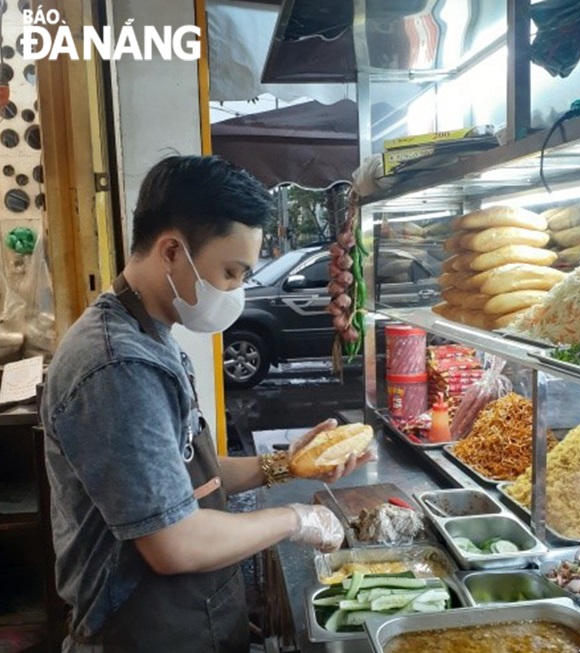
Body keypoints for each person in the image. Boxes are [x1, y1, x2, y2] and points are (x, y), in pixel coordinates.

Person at [41, 155, 373, 653]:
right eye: (231, 272)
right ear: (172, 251)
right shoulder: (118, 367)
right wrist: (295, 520)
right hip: (142, 633)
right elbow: (175, 543)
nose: (237, 290)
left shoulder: (152, 336)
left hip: (192, 620)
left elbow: (195, 478)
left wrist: (288, 466)